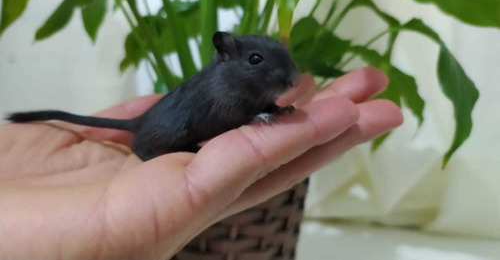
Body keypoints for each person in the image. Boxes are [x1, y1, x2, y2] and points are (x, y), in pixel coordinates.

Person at [0, 68, 402, 259]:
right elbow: (226, 114)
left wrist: (264, 109)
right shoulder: (223, 88)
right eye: (261, 62)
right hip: (163, 136)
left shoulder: (235, 84)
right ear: (232, 59)